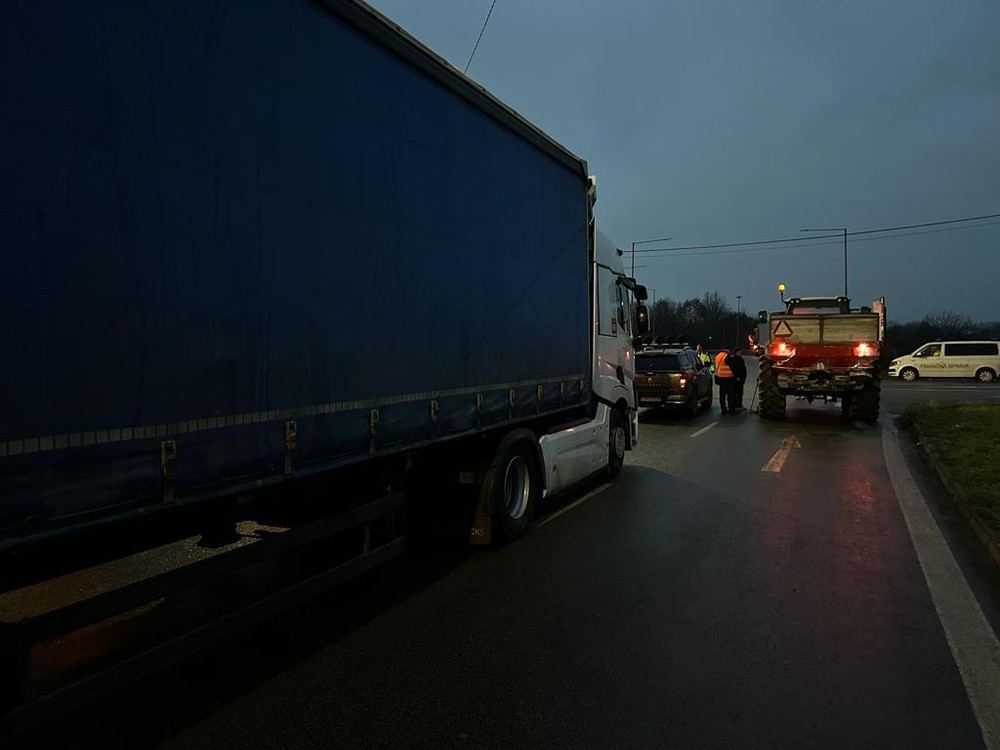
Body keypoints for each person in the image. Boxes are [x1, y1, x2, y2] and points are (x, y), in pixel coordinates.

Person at [714, 347, 736, 414]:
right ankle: (731, 409)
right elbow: (732, 366)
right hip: (728, 378)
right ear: (727, 350)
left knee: (722, 394)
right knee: (730, 395)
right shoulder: (727, 356)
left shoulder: (718, 356)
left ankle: (723, 408)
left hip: (720, 378)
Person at [727, 349, 747, 413]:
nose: (740, 353)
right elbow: (735, 369)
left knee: (740, 393)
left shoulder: (741, 359)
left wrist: (743, 378)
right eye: (738, 352)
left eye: (740, 352)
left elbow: (743, 369)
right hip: (736, 379)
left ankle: (739, 405)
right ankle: (736, 405)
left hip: (741, 379)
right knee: (735, 393)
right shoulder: (734, 360)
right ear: (735, 353)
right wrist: (737, 376)